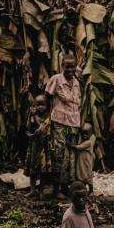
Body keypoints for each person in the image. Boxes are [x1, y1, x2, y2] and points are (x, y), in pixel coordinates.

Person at [45, 55, 83, 197]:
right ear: (62, 66)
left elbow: (77, 103)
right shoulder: (56, 79)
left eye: (72, 66)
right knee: (58, 154)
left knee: (71, 157)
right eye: (67, 66)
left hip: (74, 123)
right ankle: (56, 189)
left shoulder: (77, 83)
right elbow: (47, 97)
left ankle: (66, 187)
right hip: (60, 122)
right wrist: (48, 116)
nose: (70, 69)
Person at [25, 94, 49, 197]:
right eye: (37, 105)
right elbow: (28, 127)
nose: (40, 107)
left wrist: (34, 116)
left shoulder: (47, 117)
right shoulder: (33, 115)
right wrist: (31, 115)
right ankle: (32, 189)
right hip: (33, 145)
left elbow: (42, 129)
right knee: (32, 167)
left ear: (47, 105)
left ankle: (41, 191)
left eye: (42, 105)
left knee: (43, 169)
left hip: (43, 147)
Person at [70, 122, 97, 193]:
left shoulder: (88, 142)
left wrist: (69, 144)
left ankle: (91, 190)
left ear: (91, 134)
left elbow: (78, 147)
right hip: (82, 161)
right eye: (82, 134)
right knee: (83, 174)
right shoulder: (90, 138)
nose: (84, 136)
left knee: (87, 175)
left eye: (86, 134)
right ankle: (85, 189)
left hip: (86, 162)